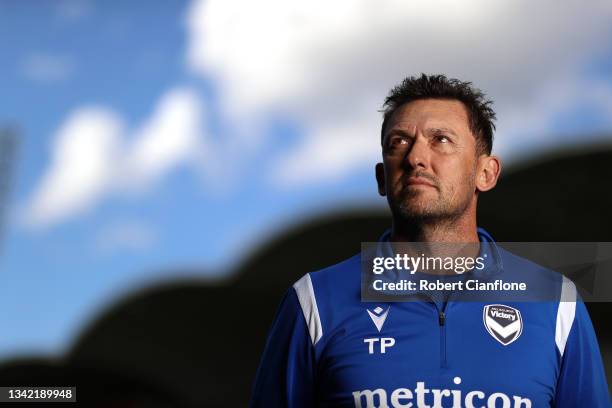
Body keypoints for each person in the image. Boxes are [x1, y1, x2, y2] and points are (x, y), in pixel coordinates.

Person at [249, 74, 610, 407]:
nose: (416, 157)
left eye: (441, 140)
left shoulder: (557, 303)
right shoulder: (314, 300)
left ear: (485, 173)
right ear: (381, 178)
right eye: (399, 142)